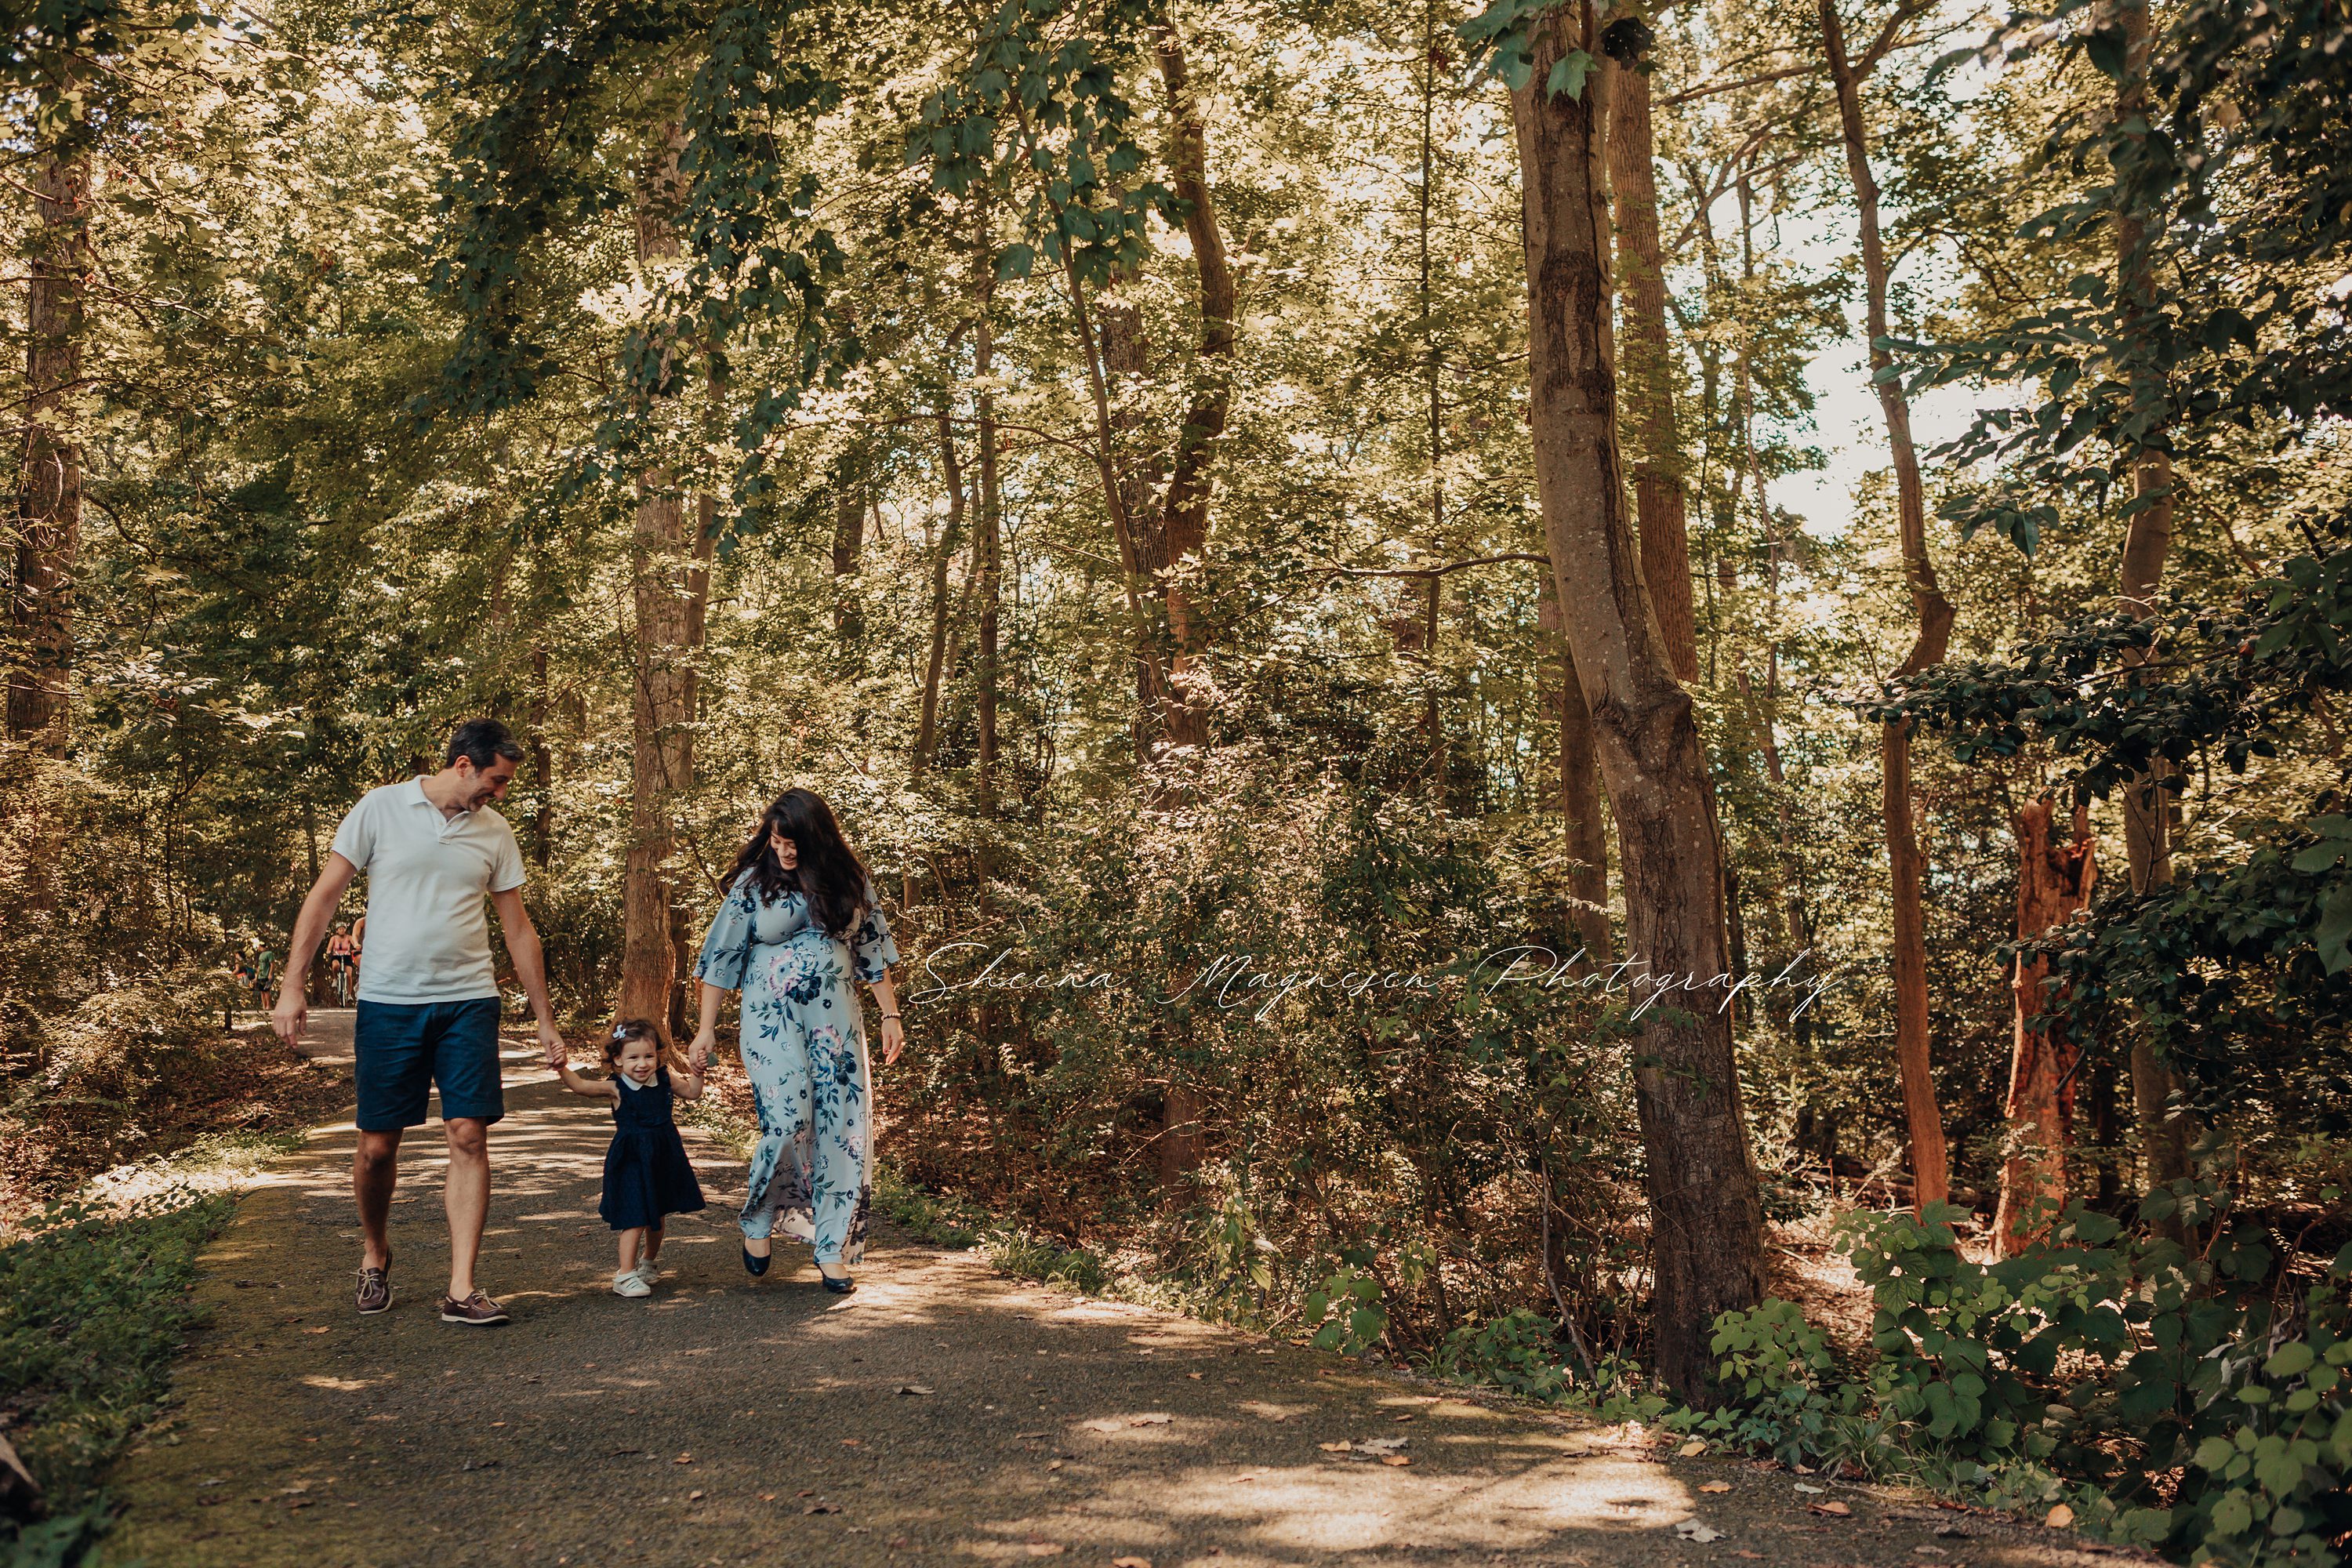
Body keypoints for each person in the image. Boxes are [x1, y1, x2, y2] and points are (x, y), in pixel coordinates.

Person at [273, 718, 567, 1325]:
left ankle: (462, 1287)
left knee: (468, 1134)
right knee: (378, 1149)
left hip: (468, 1001)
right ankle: (376, 1250)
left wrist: (544, 1018)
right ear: (463, 764)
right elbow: (325, 896)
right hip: (388, 1004)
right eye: (496, 780)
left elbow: (518, 928)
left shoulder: (495, 832)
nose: (501, 793)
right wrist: (293, 984)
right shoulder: (379, 810)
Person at [689, 788, 903, 1294]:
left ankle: (831, 1250)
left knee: (843, 1133)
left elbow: (871, 949)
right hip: (771, 1023)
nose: (783, 851)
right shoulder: (754, 883)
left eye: (792, 842)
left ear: (818, 838)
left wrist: (890, 1014)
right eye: (776, 840)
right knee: (788, 1121)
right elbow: (720, 958)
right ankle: (759, 1218)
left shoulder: (849, 881)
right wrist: (704, 1028)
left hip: (838, 1028)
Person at [546, 1018, 707, 1298]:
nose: (642, 1064)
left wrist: (698, 1071)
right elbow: (582, 1087)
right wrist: (562, 1068)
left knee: (657, 1214)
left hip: (663, 1156)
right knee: (635, 1215)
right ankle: (625, 1274)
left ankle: (648, 1263)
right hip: (632, 1159)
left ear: (658, 1055)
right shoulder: (616, 1087)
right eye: (633, 1057)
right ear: (618, 1059)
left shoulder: (666, 1080)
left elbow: (693, 1093)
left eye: (649, 1056)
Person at [326, 924, 355, 1006]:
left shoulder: (349, 937)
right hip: (337, 956)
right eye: (340, 929)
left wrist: (357, 947)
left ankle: (349, 995)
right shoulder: (334, 938)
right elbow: (329, 948)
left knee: (349, 974)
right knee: (335, 966)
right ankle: (335, 979)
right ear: (337, 930)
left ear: (345, 930)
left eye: (343, 929)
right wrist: (328, 952)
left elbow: (354, 944)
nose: (342, 930)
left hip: (347, 956)